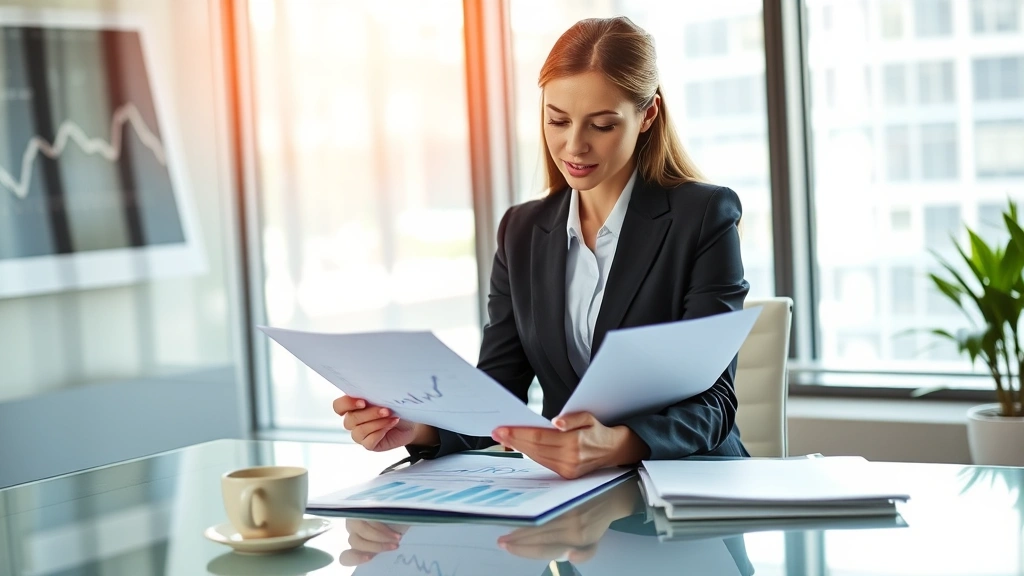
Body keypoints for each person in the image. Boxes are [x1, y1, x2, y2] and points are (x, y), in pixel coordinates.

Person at [333, 16, 750, 479]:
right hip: (574, 505)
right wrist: (419, 428)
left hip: (691, 489)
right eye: (558, 120)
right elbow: (499, 389)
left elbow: (715, 402)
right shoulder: (522, 231)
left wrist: (615, 445)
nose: (574, 145)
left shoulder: (703, 215)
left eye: (602, 125)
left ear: (647, 115)